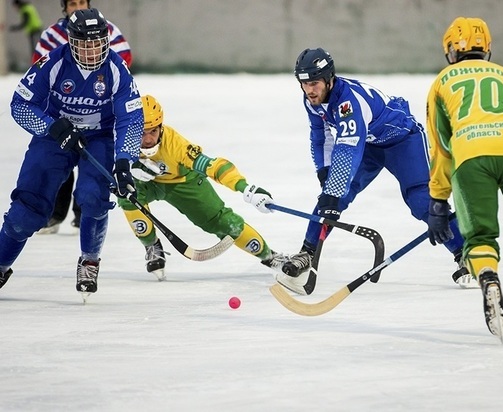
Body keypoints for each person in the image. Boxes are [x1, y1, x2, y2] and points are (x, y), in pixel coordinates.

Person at [291, 47, 474, 292]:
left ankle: (465, 253)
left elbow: (348, 148)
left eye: (313, 83)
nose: (309, 90)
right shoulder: (312, 100)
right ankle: (307, 253)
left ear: (329, 78)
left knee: (421, 201)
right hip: (369, 143)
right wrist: (325, 174)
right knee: (330, 196)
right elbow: (319, 135)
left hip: (402, 141)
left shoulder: (348, 103)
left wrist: (333, 190)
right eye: (303, 84)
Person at [0, 9, 143, 300]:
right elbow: (20, 105)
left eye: (97, 42)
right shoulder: (52, 63)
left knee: (93, 196)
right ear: (71, 42)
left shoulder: (116, 70)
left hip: (99, 137)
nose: (92, 50)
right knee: (27, 209)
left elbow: (132, 118)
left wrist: (125, 161)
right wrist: (53, 128)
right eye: (84, 44)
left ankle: (89, 260)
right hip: (54, 136)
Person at [426, 17, 503, 338]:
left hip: (470, 156)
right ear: (487, 49)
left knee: (480, 236)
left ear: (451, 52)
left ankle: (488, 277)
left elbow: (441, 145)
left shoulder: (442, 81)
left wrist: (439, 199)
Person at [117, 95, 310, 294]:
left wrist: (244, 187)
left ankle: (270, 256)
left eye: (153, 131)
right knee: (126, 194)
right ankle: (151, 246)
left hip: (183, 184)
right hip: (145, 184)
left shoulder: (176, 145)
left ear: (161, 127)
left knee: (223, 223)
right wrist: (129, 167)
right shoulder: (120, 139)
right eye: (142, 133)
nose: (148, 139)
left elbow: (212, 166)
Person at [33, 0, 133, 234]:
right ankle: (55, 215)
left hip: (97, 114)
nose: (77, 7)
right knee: (60, 166)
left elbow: (124, 57)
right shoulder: (53, 34)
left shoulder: (105, 28)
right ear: (64, 8)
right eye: (72, 4)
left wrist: (102, 79)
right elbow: (39, 67)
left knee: (91, 166)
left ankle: (83, 214)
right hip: (62, 114)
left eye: (81, 2)